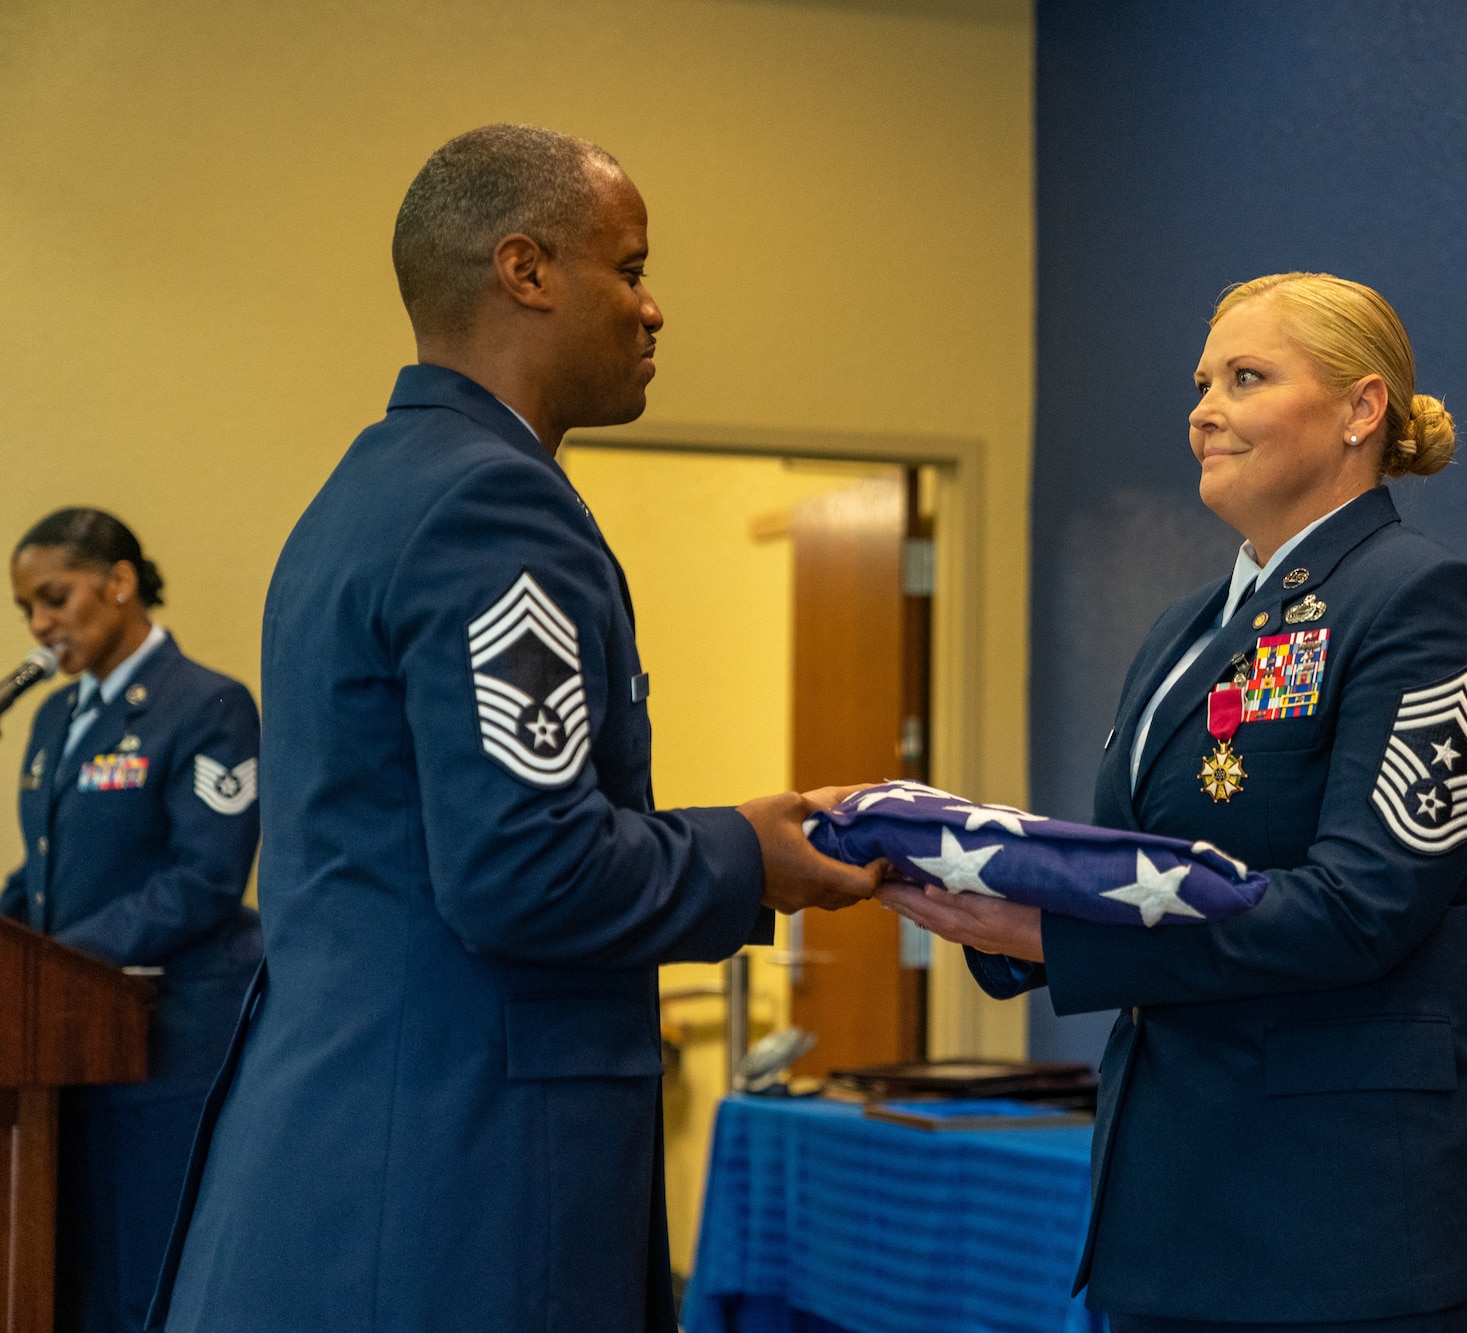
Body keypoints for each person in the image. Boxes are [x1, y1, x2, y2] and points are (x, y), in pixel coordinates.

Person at [148, 125, 883, 1333]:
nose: (654, 310)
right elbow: (524, 870)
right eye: (631, 268)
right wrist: (754, 852)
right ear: (526, 270)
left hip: (347, 1159)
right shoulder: (493, 507)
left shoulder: (369, 486)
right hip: (452, 1188)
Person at [885, 272, 1467, 1332]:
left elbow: (1359, 907)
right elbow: (1143, 866)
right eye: (1199, 382)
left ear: (1360, 411)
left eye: (1244, 377)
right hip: (1173, 1216)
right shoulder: (1186, 630)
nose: (1201, 410)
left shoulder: (1417, 599)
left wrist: (1055, 937)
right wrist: (971, 882)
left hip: (1343, 1227)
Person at [2, 509, 261, 1333]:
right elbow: (44, 872)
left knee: (141, 1280)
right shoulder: (53, 718)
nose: (41, 623)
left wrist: (58, 964)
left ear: (119, 582)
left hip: (165, 1044)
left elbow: (206, 879)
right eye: (27, 610)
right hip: (68, 1048)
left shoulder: (208, 705)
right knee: (65, 1280)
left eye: (55, 597)